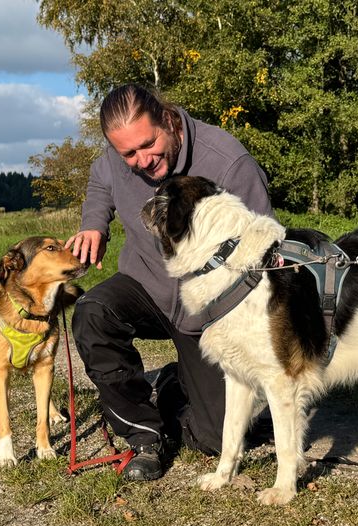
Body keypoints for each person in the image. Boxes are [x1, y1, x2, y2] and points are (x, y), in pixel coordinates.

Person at [67, 83, 272, 481]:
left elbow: (263, 244)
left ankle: (173, 383)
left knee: (220, 437)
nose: (143, 160)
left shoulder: (227, 162)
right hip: (147, 286)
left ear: (167, 119)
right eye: (129, 154)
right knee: (92, 313)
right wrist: (94, 224)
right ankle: (145, 435)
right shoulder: (116, 157)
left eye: (149, 144)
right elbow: (100, 179)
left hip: (210, 314)